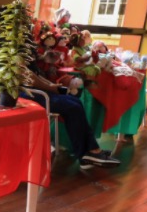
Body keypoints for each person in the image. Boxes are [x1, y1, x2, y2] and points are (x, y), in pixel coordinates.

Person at [17, 19, 121, 169]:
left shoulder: (28, 48)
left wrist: (51, 85)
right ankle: (88, 152)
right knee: (72, 107)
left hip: (37, 90)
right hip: (27, 94)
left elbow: (35, 75)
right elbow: (28, 77)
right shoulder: (15, 52)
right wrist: (51, 87)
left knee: (75, 101)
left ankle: (89, 151)